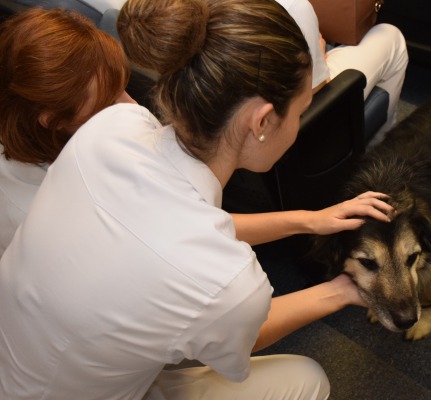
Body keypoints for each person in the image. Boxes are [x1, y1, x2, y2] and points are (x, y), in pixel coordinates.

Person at [0, 1, 393, 399]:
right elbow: (248, 328)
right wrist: (342, 290)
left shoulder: (112, 127)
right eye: (300, 110)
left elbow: (186, 229)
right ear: (261, 122)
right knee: (309, 379)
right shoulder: (226, 284)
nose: (298, 124)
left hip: (20, 363)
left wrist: (309, 219)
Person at [0, 7, 136, 255]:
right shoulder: (45, 220)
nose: (134, 106)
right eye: (108, 103)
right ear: (53, 121)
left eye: (123, 88)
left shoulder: (29, 120)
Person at [274, 0, 409, 147]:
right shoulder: (294, 6)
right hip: (292, 117)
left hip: (263, 107)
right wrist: (317, 56)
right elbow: (309, 89)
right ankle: (378, 149)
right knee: (392, 37)